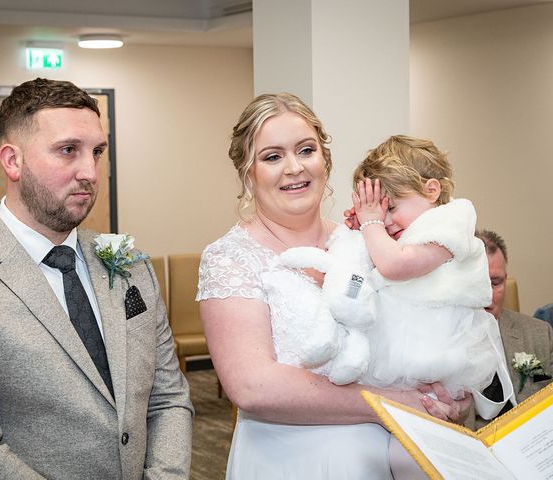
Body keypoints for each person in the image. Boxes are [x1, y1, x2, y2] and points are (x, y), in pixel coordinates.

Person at [0, 78, 193, 479]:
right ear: (12, 161)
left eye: (97, 152)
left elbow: (168, 397)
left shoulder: (129, 265)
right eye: (68, 151)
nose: (90, 172)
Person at [197, 93, 471, 480]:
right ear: (247, 172)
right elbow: (253, 388)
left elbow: (413, 332)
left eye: (306, 150)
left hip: (389, 457)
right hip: (289, 461)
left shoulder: (366, 242)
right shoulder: (229, 258)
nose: (294, 168)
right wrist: (393, 403)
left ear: (324, 158)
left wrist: (439, 395)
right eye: (273, 157)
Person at [349, 136, 510, 403]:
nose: (385, 222)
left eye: (392, 208)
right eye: (379, 213)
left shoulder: (450, 224)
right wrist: (361, 229)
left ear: (432, 191)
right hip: (406, 350)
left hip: (437, 354)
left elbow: (394, 265)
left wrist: (371, 224)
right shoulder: (404, 234)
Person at [467, 229, 553, 429]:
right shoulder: (437, 343)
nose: (487, 295)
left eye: (495, 283)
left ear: (506, 280)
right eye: (477, 283)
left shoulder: (539, 333)